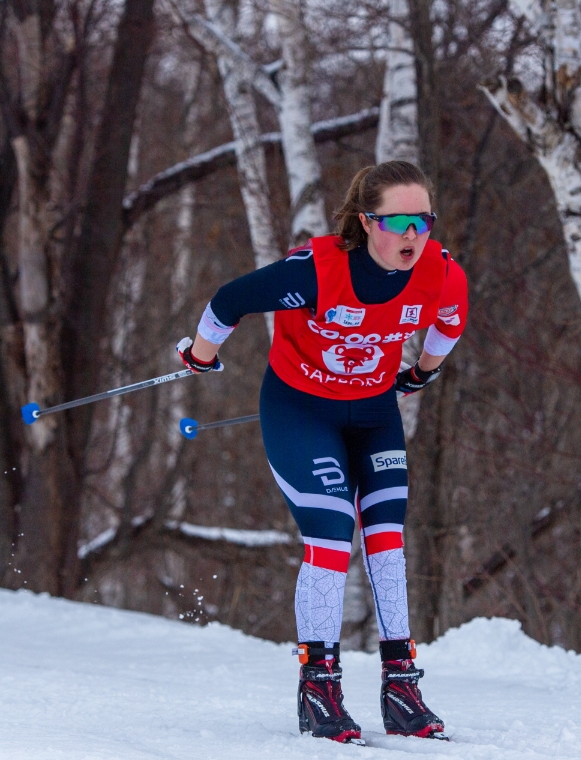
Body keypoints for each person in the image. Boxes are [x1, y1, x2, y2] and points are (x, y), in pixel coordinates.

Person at [176, 161, 467, 744]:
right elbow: (231, 300)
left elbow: (449, 326)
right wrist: (201, 355)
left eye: (424, 221)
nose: (414, 234)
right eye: (400, 221)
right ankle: (319, 686)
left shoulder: (440, 271)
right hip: (300, 410)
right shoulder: (317, 271)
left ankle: (401, 687)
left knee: (386, 539)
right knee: (332, 533)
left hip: (374, 412)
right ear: (367, 222)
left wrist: (420, 375)